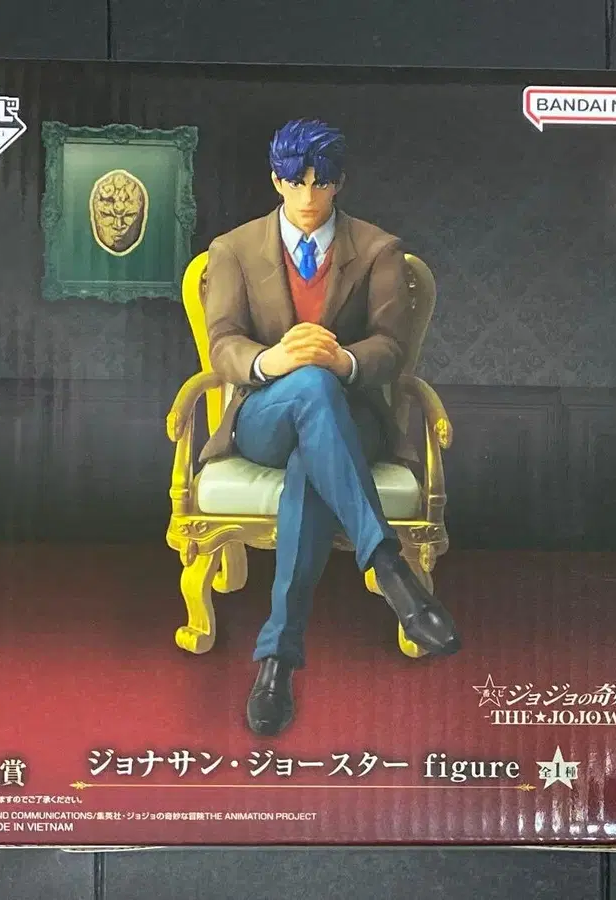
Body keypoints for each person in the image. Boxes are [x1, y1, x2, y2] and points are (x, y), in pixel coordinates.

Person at [200, 118, 460, 737]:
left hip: (351, 418)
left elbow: (391, 348)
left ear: (340, 182)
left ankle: (276, 662)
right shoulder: (234, 248)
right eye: (295, 181)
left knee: (312, 458)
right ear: (276, 180)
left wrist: (340, 360)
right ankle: (389, 567)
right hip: (264, 416)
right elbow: (223, 343)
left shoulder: (378, 249)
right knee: (308, 387)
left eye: (321, 182)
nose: (308, 195)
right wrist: (274, 361)